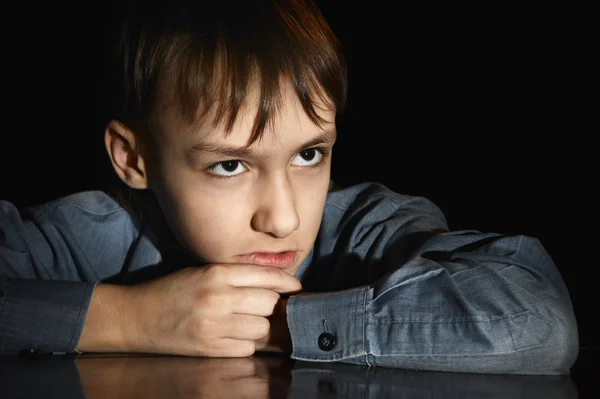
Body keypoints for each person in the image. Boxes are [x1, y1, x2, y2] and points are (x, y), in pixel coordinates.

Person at [0, 0, 578, 375]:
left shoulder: (365, 227)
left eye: (308, 155)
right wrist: (127, 320)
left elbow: (540, 324)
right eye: (230, 165)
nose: (283, 219)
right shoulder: (88, 234)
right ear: (133, 158)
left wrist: (275, 322)